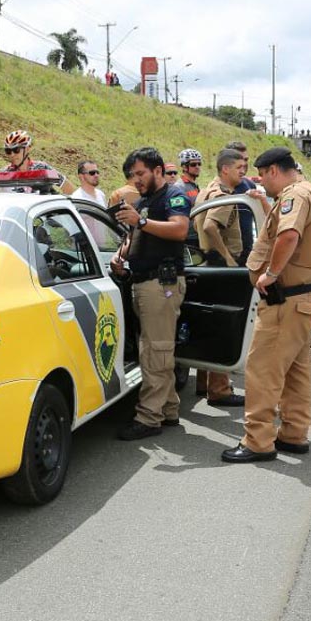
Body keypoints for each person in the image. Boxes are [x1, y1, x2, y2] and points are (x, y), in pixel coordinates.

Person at [222, 147, 311, 463]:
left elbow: (289, 235)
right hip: (306, 298)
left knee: (263, 371)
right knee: (297, 371)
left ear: (273, 170)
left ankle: (257, 441)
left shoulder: (294, 196)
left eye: (262, 175)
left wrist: (270, 274)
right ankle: (294, 434)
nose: (260, 182)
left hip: (286, 300)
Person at [111, 148, 191, 440]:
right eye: (132, 175)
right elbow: (135, 237)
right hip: (144, 284)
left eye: (140, 173)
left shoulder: (174, 195)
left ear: (158, 170)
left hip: (162, 284)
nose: (136, 179)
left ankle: (148, 417)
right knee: (154, 349)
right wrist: (120, 257)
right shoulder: (144, 202)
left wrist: (141, 221)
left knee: (155, 351)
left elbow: (180, 229)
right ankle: (168, 409)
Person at [188, 148, 248, 407]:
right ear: (225, 169)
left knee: (209, 323)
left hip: (207, 261)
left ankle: (204, 382)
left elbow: (198, 223)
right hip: (222, 263)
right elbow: (212, 226)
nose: (243, 171)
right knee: (226, 327)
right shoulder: (223, 195)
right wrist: (229, 257)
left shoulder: (207, 189)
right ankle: (220, 389)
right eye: (239, 168)